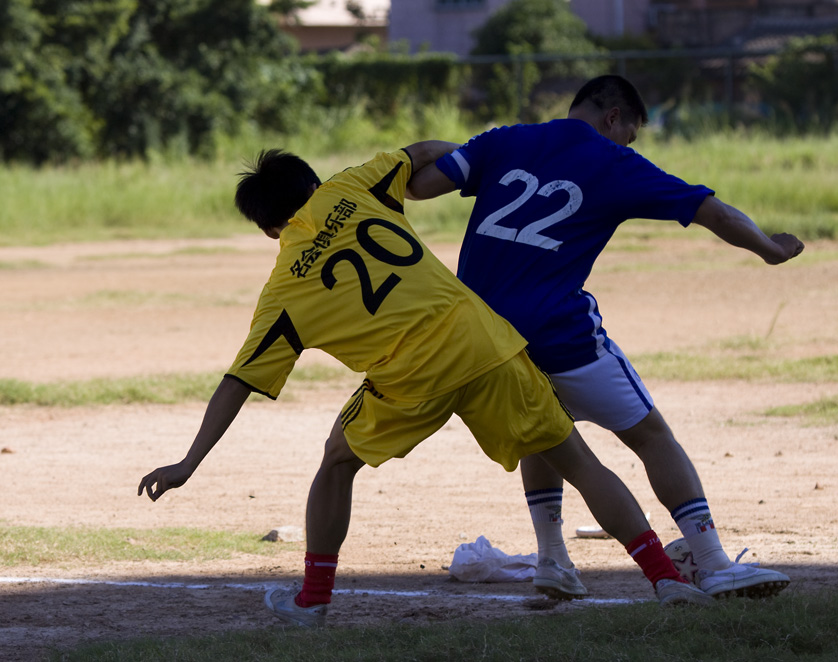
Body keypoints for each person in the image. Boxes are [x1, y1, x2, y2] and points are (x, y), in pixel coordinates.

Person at [137, 141, 715, 629]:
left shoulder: (283, 290)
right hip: (484, 342)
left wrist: (189, 462)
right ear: (314, 184)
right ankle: (666, 579)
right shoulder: (352, 185)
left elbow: (237, 382)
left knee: (337, 460)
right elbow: (426, 152)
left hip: (411, 379)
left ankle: (312, 601)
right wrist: (485, 166)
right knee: (579, 462)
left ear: (270, 230)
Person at [407, 75, 803, 600]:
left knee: (545, 428)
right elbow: (715, 212)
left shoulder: (505, 139)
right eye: (629, 135)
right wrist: (770, 249)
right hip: (559, 332)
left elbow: (418, 185)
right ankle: (712, 562)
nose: (627, 145)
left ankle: (553, 559)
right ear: (613, 117)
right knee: (651, 436)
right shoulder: (614, 161)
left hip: (483, 338)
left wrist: (453, 148)